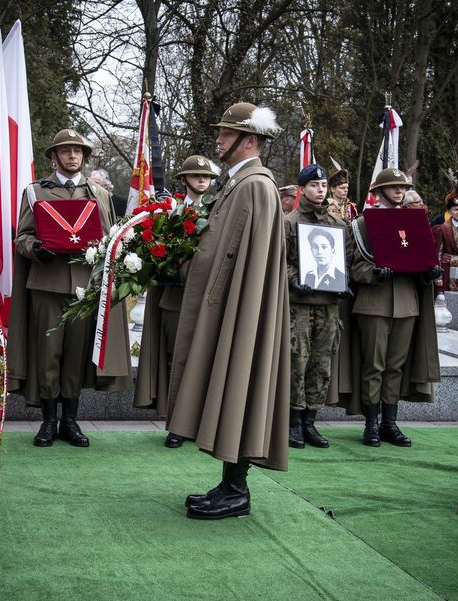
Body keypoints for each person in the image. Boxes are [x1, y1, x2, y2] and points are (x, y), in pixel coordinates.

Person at [166, 102, 289, 520]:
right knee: (234, 386)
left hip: (241, 308)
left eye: (225, 133)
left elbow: (239, 256)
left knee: (240, 384)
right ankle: (229, 485)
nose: (218, 139)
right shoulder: (241, 183)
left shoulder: (255, 185)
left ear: (248, 140)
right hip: (232, 304)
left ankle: (236, 491)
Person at [9, 129, 132, 447]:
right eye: (66, 150)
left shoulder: (99, 194)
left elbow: (110, 239)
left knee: (76, 356)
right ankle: (48, 422)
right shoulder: (35, 192)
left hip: (85, 285)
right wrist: (36, 248)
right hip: (47, 284)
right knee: (49, 354)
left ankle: (71, 421)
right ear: (54, 156)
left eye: (78, 151)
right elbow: (21, 237)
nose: (73, 155)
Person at [349, 168, 441, 447]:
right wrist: (374, 273)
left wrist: (430, 271)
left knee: (395, 367)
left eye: (403, 187)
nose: (399, 191)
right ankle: (371, 424)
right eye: (393, 187)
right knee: (373, 365)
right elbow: (354, 265)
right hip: (374, 302)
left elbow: (421, 255)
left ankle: (390, 423)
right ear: (379, 191)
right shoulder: (364, 223)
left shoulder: (415, 221)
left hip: (406, 302)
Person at [135, 155, 218, 448]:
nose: (202, 181)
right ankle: (177, 424)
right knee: (176, 360)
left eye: (206, 177)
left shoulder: (218, 211)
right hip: (175, 296)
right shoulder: (169, 211)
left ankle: (200, 422)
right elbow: (153, 246)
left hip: (207, 297)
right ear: (184, 179)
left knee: (204, 358)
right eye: (195, 176)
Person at [285, 163, 352, 449]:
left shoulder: (337, 225)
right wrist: (293, 279)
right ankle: (293, 422)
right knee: (296, 360)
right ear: (303, 189)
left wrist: (344, 282)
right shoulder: (289, 222)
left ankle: (311, 421)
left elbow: (345, 261)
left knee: (321, 363)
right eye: (314, 185)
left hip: (328, 304)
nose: (320, 190)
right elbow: (280, 260)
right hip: (299, 304)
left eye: (323, 186)